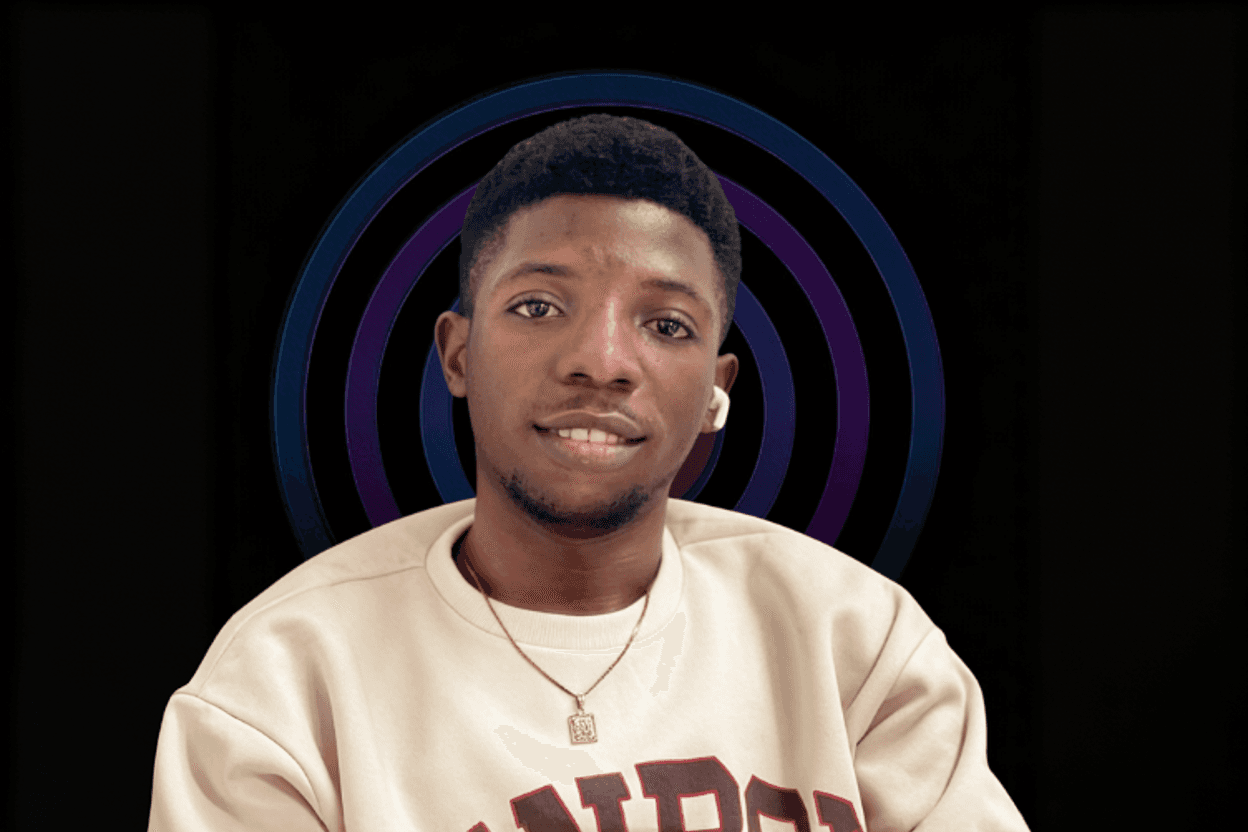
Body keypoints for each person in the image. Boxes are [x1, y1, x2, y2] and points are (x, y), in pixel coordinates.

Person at [148, 114, 1028, 831]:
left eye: (668, 325)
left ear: (716, 391)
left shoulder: (858, 643)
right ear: (457, 354)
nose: (601, 361)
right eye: (539, 306)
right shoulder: (282, 683)